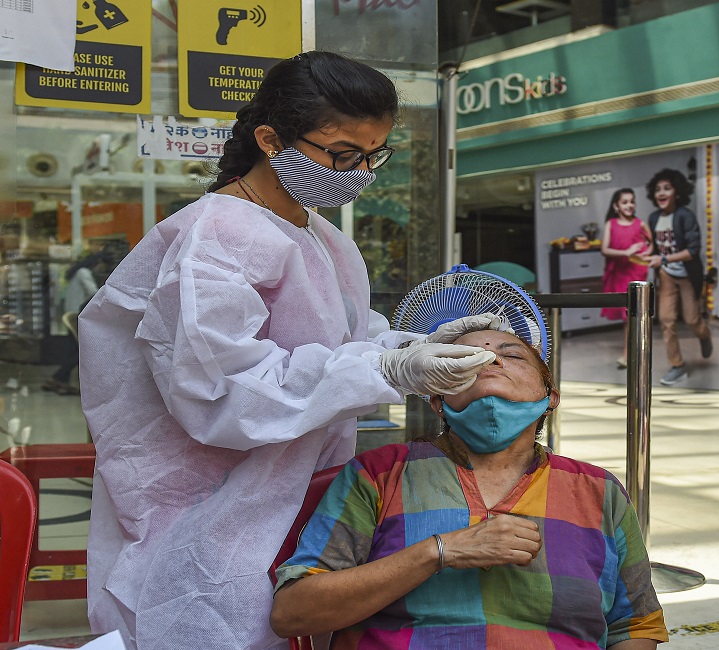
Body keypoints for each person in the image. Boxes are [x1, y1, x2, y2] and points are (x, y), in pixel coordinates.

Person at [79, 52, 503, 649]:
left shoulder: (321, 237)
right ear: (270, 138)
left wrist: (414, 346)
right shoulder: (218, 238)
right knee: (209, 627)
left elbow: (344, 341)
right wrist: (387, 368)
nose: (359, 171)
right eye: (342, 153)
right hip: (209, 507)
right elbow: (220, 392)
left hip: (291, 490)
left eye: (374, 154)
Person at [271, 328, 668, 649]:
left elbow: (635, 627)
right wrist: (440, 551)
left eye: (512, 355)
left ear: (551, 398)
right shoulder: (378, 474)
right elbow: (293, 613)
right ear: (438, 400)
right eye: (464, 359)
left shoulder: (599, 491)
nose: (492, 360)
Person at [644, 168, 712, 385]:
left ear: (677, 191)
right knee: (666, 320)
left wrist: (664, 259)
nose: (661, 193)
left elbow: (693, 251)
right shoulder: (654, 218)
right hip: (666, 276)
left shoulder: (685, 216)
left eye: (667, 188)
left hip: (687, 275)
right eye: (657, 189)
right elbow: (655, 246)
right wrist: (645, 253)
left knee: (692, 319)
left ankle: (704, 334)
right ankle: (677, 365)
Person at [599, 187, 651, 369]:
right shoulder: (610, 224)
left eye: (632, 201)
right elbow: (605, 249)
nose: (629, 205)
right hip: (619, 272)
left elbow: (651, 244)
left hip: (636, 272)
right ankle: (632, 352)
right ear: (616, 206)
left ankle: (628, 354)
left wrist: (644, 256)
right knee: (626, 315)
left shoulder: (640, 223)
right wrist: (626, 252)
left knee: (631, 315)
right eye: (625, 202)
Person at [43, 253, 104, 395]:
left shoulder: (75, 273)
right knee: (83, 351)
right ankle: (58, 377)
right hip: (80, 316)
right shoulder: (84, 273)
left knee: (74, 350)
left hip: (72, 315)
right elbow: (94, 293)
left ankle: (60, 379)